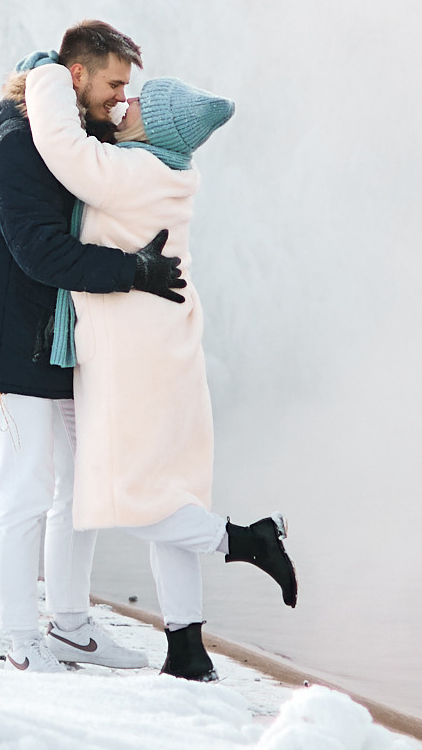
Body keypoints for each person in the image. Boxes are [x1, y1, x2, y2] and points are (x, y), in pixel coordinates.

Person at [21, 58, 297, 681]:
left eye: (138, 106)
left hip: (131, 350)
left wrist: (43, 74)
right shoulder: (168, 173)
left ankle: (247, 540)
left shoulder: (133, 173)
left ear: (158, 131)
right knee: (170, 492)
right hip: (164, 342)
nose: (124, 108)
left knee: (128, 498)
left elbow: (62, 146)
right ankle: (187, 647)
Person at [0, 18, 187, 671]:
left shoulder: (72, 144)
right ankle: (20, 642)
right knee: (23, 492)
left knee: (81, 489)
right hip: (5, 351)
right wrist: (132, 271)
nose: (118, 96)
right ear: (74, 76)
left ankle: (71, 627)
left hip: (57, 347)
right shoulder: (19, 150)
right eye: (111, 83)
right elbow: (40, 253)